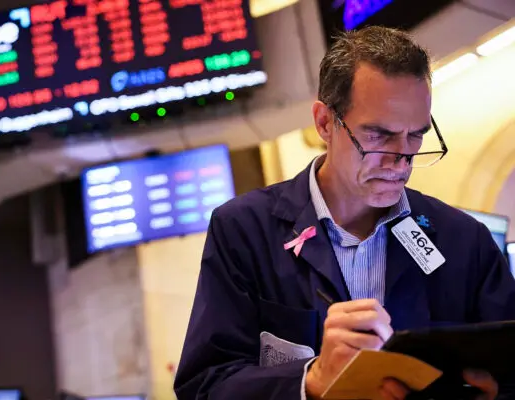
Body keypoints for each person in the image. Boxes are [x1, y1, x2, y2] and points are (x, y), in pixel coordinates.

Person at [174, 26, 515, 399]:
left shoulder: (466, 242)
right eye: (379, 136)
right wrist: (312, 380)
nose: (401, 162)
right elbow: (204, 386)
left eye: (416, 135)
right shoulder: (244, 231)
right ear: (324, 122)